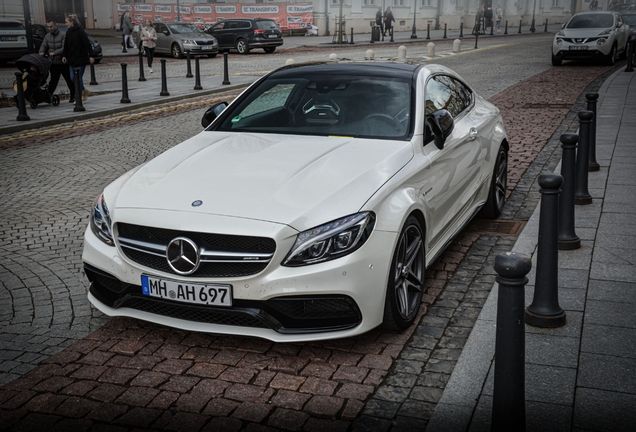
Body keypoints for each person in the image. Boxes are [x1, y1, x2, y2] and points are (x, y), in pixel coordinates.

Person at [39, 20, 75, 103]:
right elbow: (44, 45)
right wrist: (42, 51)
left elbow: (64, 48)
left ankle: (73, 95)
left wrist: (55, 53)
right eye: (48, 27)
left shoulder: (63, 35)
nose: (50, 28)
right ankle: (48, 95)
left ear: (56, 25)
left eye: (51, 26)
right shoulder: (47, 36)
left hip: (63, 62)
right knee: (53, 80)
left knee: (69, 80)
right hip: (53, 62)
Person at [61, 14, 94, 103]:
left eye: (67, 22)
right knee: (72, 78)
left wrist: (91, 55)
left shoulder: (80, 31)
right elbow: (66, 45)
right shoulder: (68, 32)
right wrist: (64, 55)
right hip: (71, 59)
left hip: (80, 58)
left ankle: (79, 97)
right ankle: (83, 90)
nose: (66, 24)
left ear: (72, 22)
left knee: (77, 77)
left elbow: (87, 43)